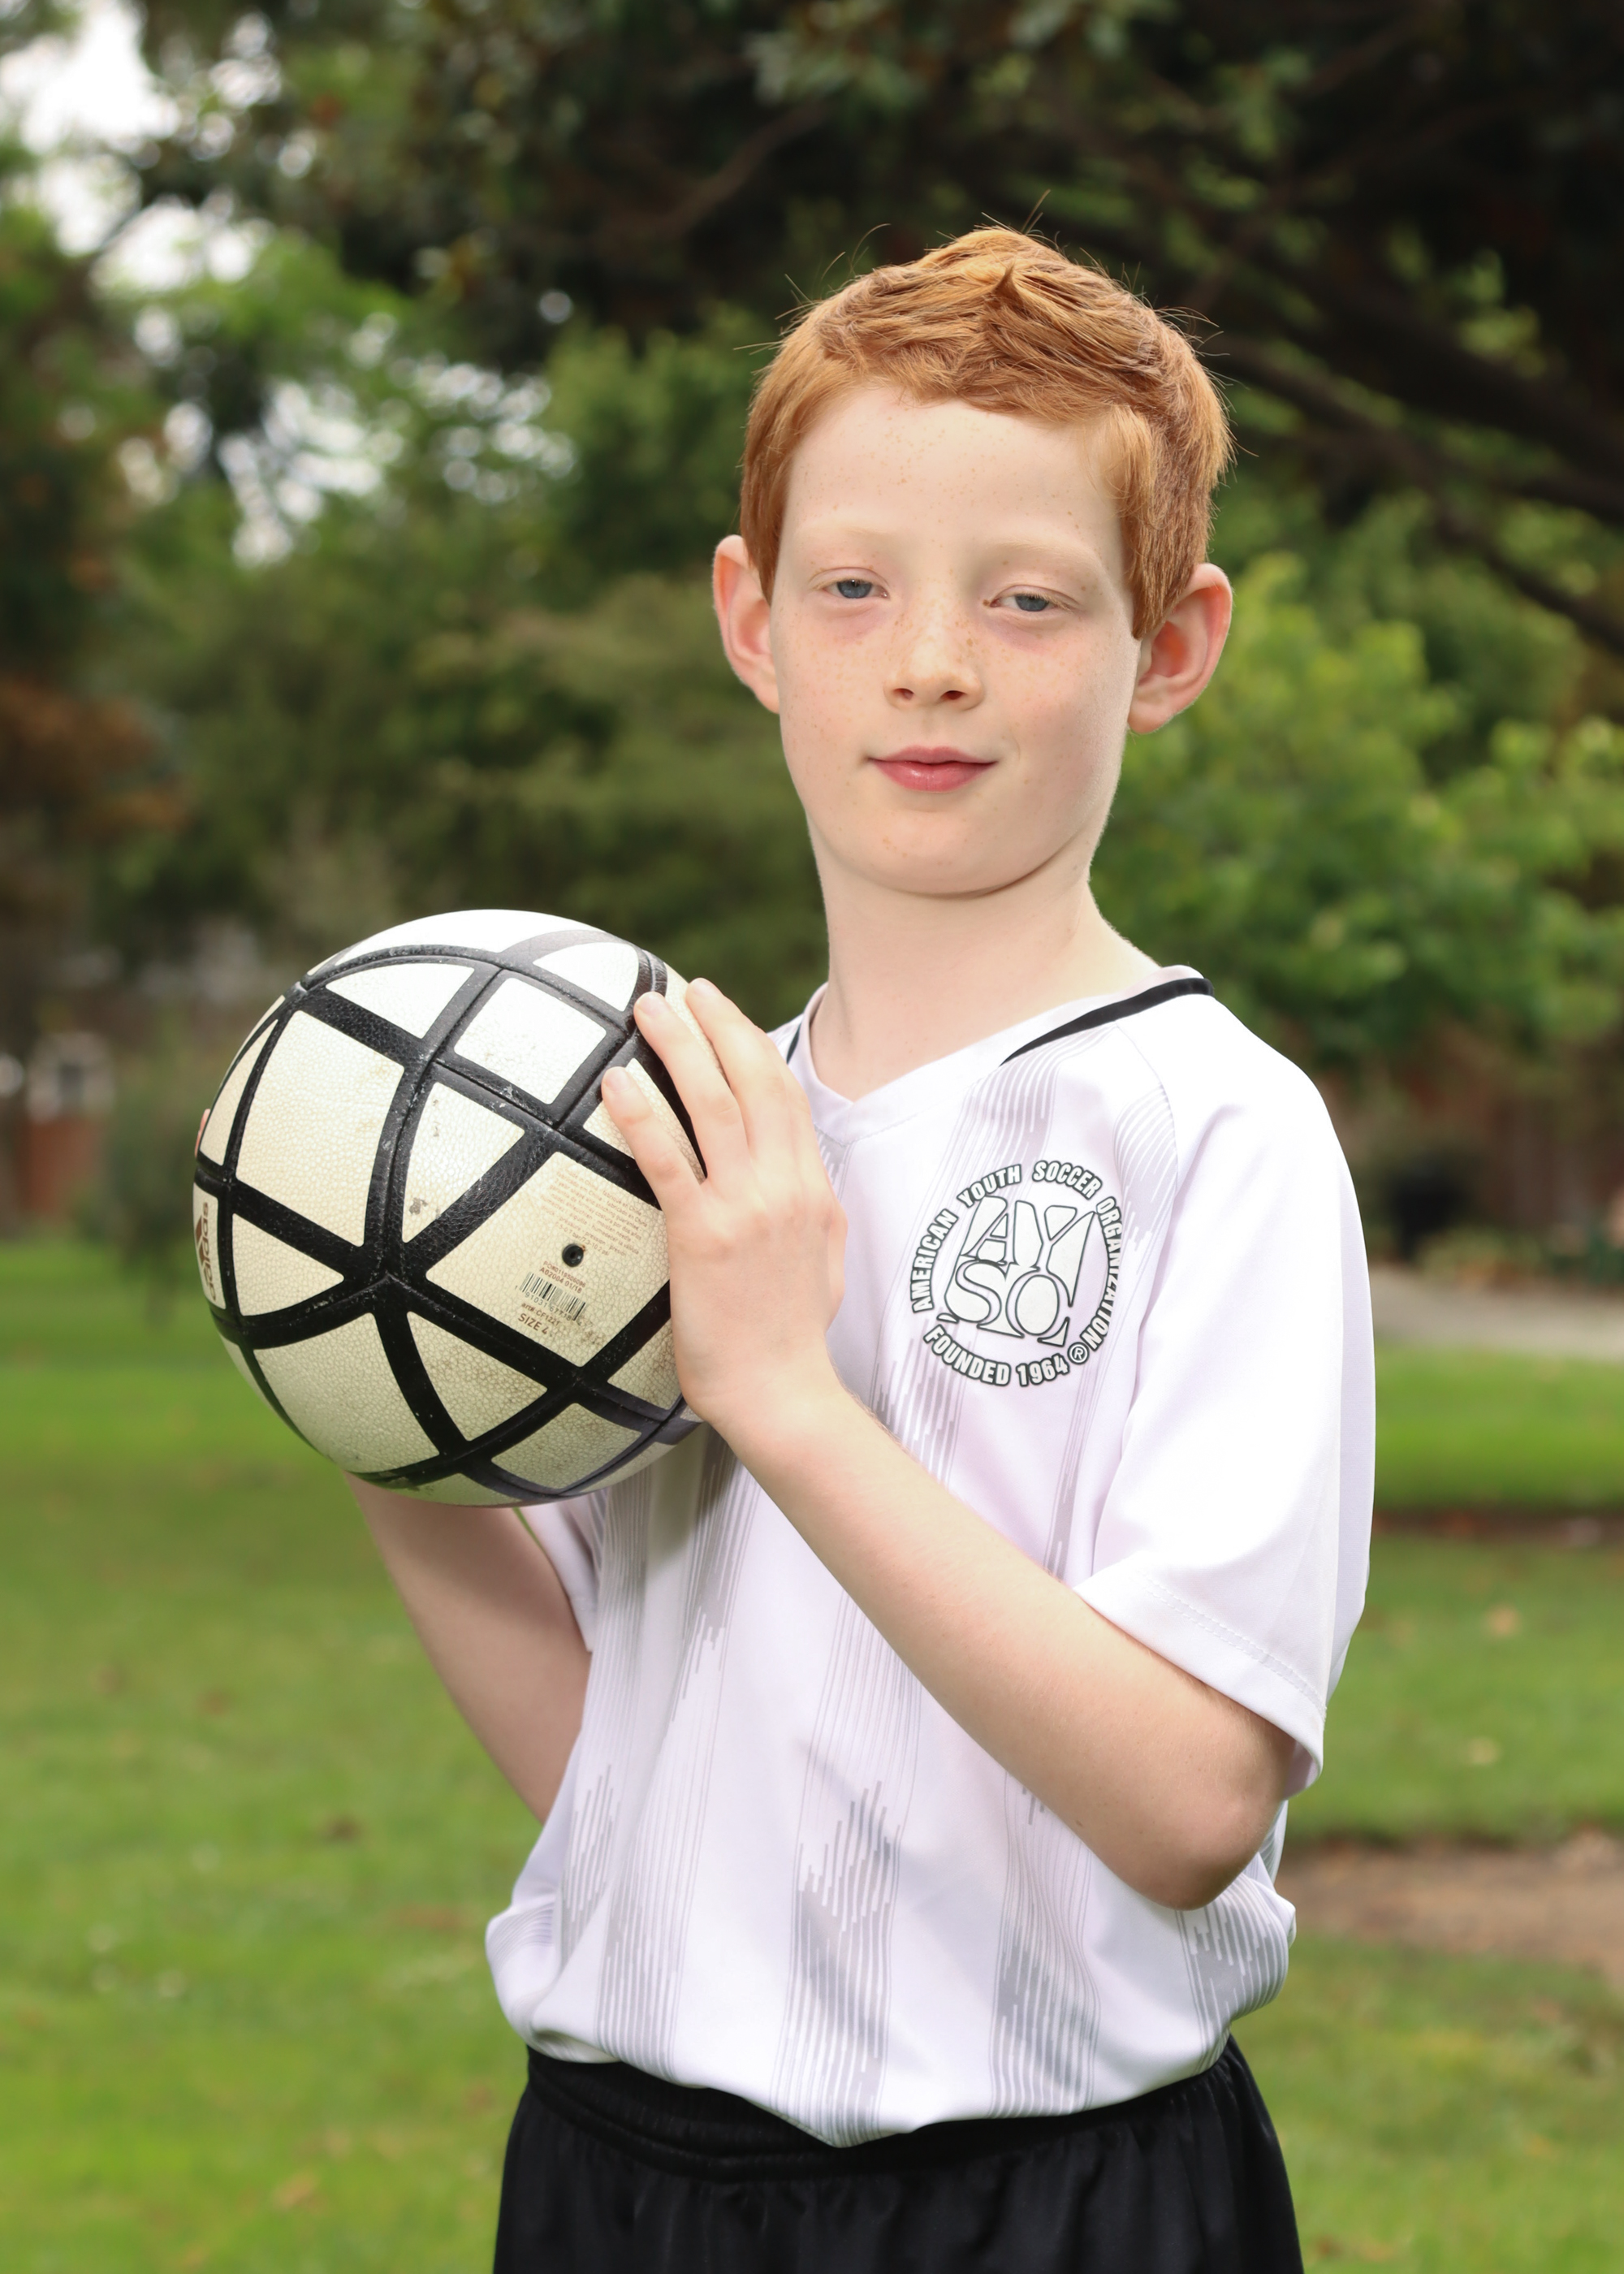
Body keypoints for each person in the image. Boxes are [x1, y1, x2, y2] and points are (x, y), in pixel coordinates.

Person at [350, 227, 1373, 2273]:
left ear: (1170, 645)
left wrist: (787, 1401)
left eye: (1027, 597)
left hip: (1044, 2197)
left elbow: (1189, 1800)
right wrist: (379, 1389)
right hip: (621, 2179)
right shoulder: (679, 1123)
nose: (929, 661)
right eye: (853, 587)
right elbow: (612, 1760)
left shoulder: (1210, 1127)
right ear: (752, 620)